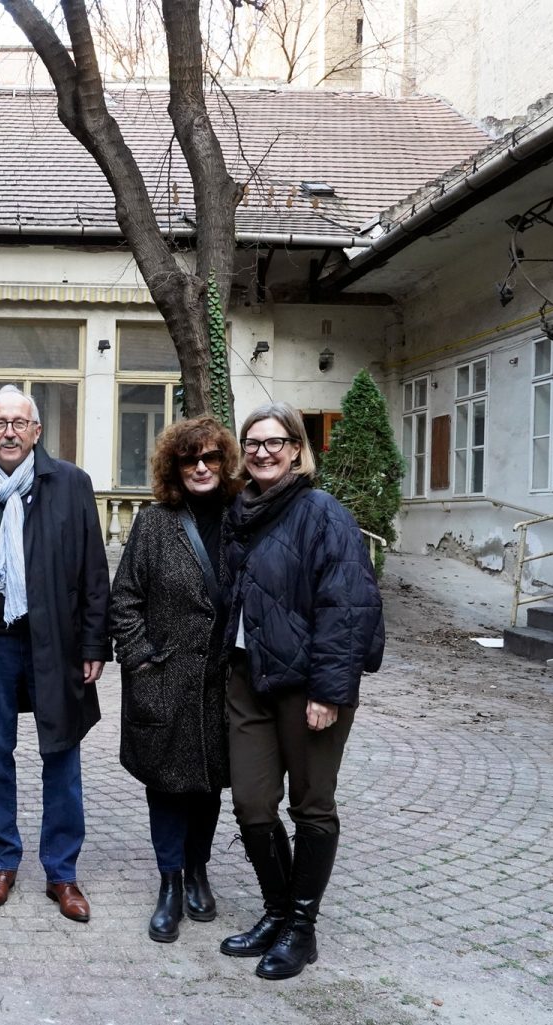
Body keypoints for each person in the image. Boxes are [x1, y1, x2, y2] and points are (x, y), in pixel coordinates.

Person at [217, 401, 383, 980]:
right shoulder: (241, 511)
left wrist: (328, 691)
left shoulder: (322, 513)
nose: (262, 452)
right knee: (251, 802)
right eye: (253, 442)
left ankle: (301, 929)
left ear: (296, 450)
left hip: (308, 685)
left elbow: (349, 605)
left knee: (311, 804)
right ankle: (277, 911)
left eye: (275, 442)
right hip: (248, 677)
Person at [0, 385, 110, 923]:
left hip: (54, 644)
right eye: (0, 423)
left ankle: (62, 872)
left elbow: (94, 571)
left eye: (19, 423)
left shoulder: (71, 484)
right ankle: (3, 862)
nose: (9, 432)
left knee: (62, 754)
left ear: (37, 431)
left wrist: (94, 643)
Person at [108, 416, 238, 943]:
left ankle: (198, 871)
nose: (201, 467)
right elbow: (124, 599)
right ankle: (170, 883)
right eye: (190, 459)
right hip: (164, 680)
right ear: (174, 466)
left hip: (223, 683)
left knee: (208, 785)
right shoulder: (153, 523)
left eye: (210, 457)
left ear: (224, 462)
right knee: (165, 787)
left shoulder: (240, 519)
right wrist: (141, 659)